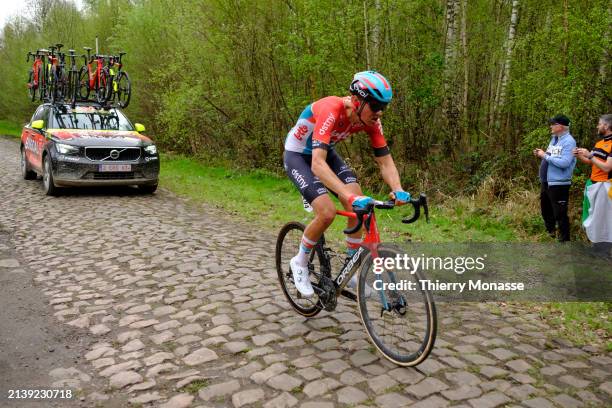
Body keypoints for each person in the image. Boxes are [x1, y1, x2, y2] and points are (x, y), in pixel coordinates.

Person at [283, 71, 410, 297]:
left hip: (324, 152)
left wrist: (397, 189)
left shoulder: (371, 120)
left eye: (384, 107)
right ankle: (299, 262)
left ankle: (349, 270)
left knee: (359, 206)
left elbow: (385, 161)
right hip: (298, 156)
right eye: (375, 105)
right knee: (327, 212)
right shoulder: (331, 109)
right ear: (356, 101)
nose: (379, 112)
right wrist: (348, 196)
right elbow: (317, 165)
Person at [533, 114, 577, 242]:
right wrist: (541, 153)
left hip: (559, 184)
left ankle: (564, 242)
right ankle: (550, 236)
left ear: (561, 126)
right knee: (546, 211)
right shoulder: (554, 139)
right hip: (546, 182)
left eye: (553, 124)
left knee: (560, 214)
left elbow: (564, 162)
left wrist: (544, 156)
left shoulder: (569, 141)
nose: (551, 126)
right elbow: (551, 156)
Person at [573, 114, 612, 255]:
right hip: (594, 185)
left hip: (606, 187)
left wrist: (590, 155)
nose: (597, 126)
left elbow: (607, 167)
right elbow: (592, 163)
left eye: (599, 124)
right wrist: (580, 156)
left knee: (604, 219)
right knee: (595, 218)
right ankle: (598, 248)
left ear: (606, 126)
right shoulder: (599, 143)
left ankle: (604, 252)